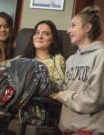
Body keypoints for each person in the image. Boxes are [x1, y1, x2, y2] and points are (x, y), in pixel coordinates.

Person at [51, 5, 104, 134]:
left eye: (73, 25)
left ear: (87, 27)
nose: (68, 31)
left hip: (89, 131)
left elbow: (94, 100)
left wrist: (62, 95)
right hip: (66, 130)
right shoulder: (71, 60)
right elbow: (65, 87)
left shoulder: (101, 56)